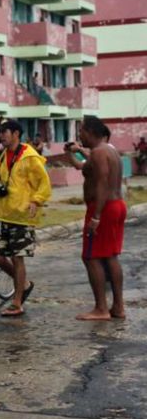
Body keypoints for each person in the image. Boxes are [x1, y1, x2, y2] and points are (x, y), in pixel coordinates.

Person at [0, 120, 51, 317]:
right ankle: (23, 284)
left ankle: (17, 302)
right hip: (0, 214)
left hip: (21, 216)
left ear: (16, 133)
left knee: (17, 258)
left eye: (4, 132)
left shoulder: (30, 156)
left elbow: (44, 183)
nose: (0, 136)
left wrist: (36, 200)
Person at [66, 117, 127, 320]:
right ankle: (118, 307)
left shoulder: (100, 152)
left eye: (81, 131)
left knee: (90, 257)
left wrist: (96, 216)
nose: (80, 135)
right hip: (115, 206)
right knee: (110, 256)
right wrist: (71, 153)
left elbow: (101, 182)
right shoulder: (108, 150)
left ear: (91, 131)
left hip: (104, 209)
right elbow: (82, 167)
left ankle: (101, 308)